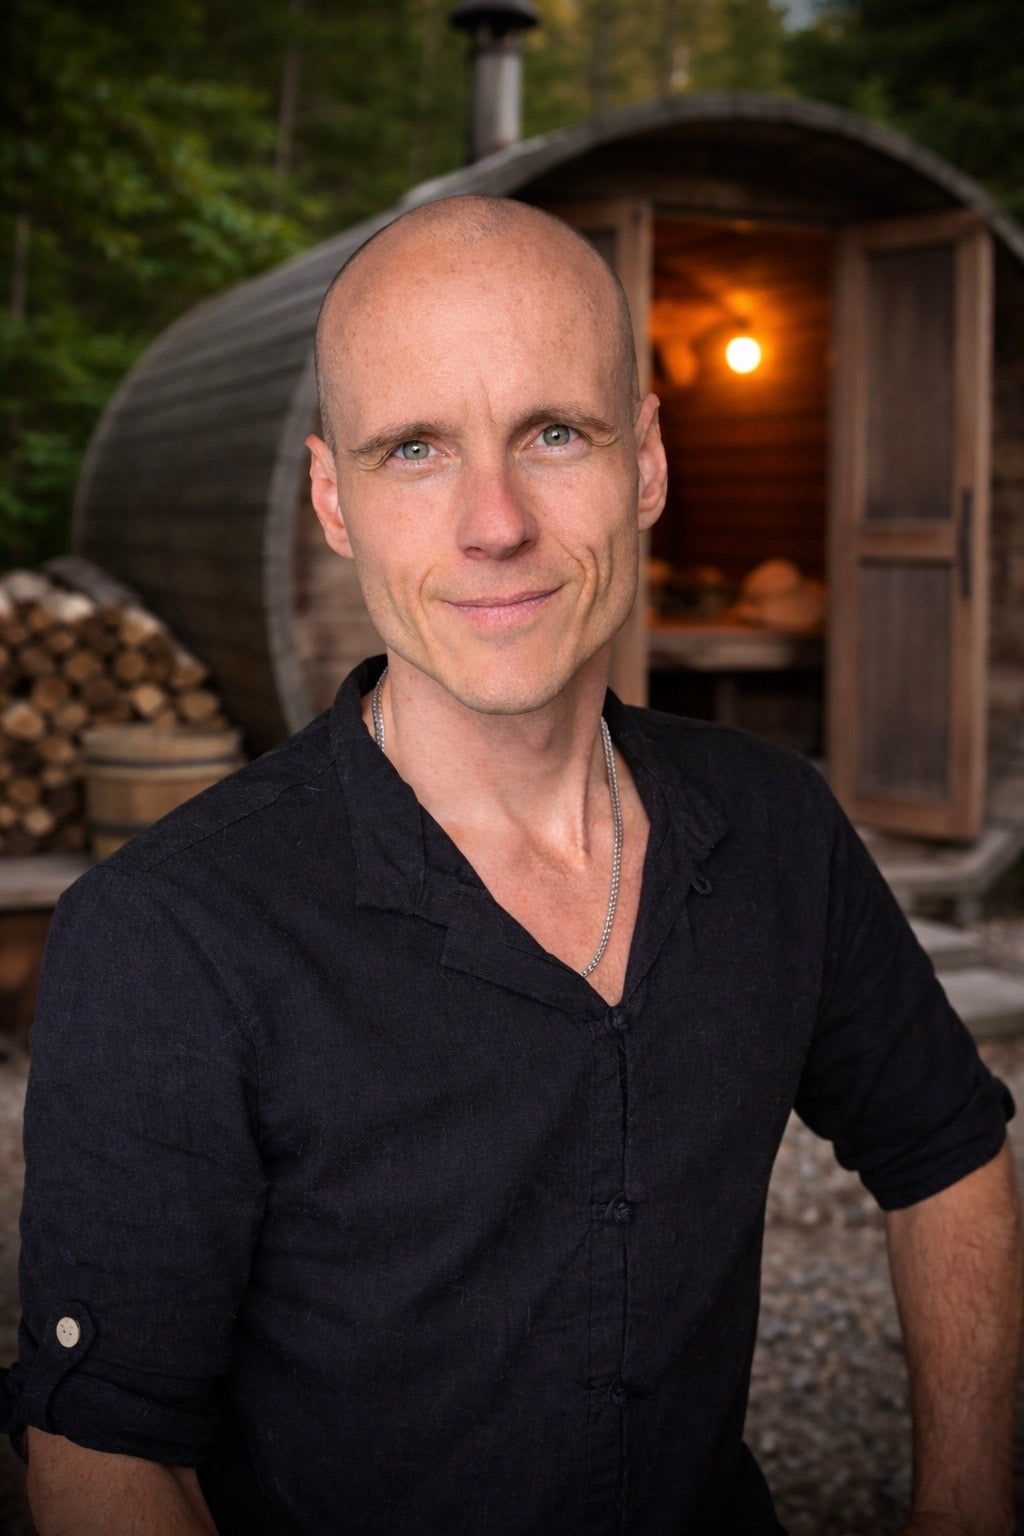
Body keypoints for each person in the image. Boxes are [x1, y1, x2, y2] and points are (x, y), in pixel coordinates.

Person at [3, 194, 1022, 1536]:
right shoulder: (168, 937)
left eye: (554, 433)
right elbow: (103, 1456)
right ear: (333, 499)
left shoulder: (775, 828)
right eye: (415, 448)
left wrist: (965, 1504)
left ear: (645, 460)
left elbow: (951, 1151)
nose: (496, 523)